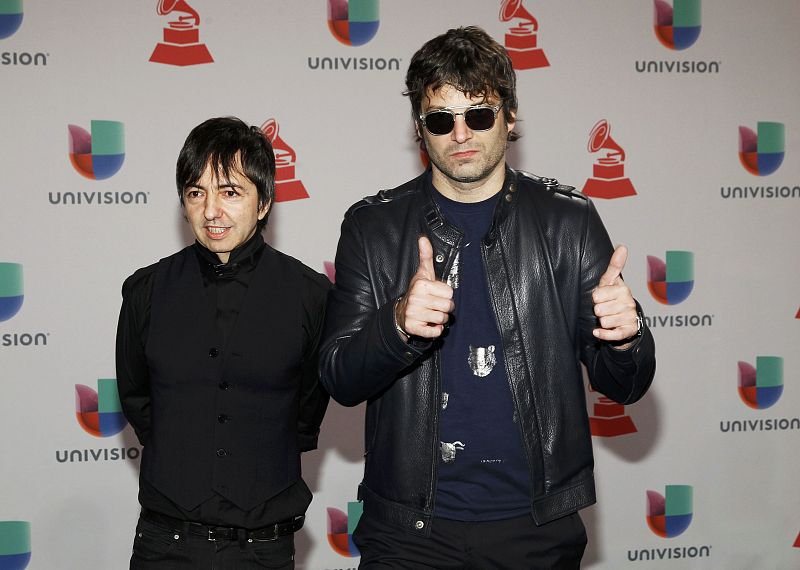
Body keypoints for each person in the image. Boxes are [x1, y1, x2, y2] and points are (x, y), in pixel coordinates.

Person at [320, 26, 656, 569]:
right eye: (440, 119)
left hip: (536, 528)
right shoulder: (373, 228)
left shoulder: (568, 222)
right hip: (410, 534)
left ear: (510, 117)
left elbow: (627, 385)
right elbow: (338, 375)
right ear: (419, 130)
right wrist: (397, 326)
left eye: (479, 114)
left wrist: (627, 337)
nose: (461, 133)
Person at [116, 117, 329, 569]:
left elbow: (307, 411)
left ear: (265, 200)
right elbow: (138, 400)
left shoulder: (311, 296)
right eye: (197, 193)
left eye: (230, 192)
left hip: (263, 548)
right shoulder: (145, 292)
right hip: (164, 543)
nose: (211, 211)